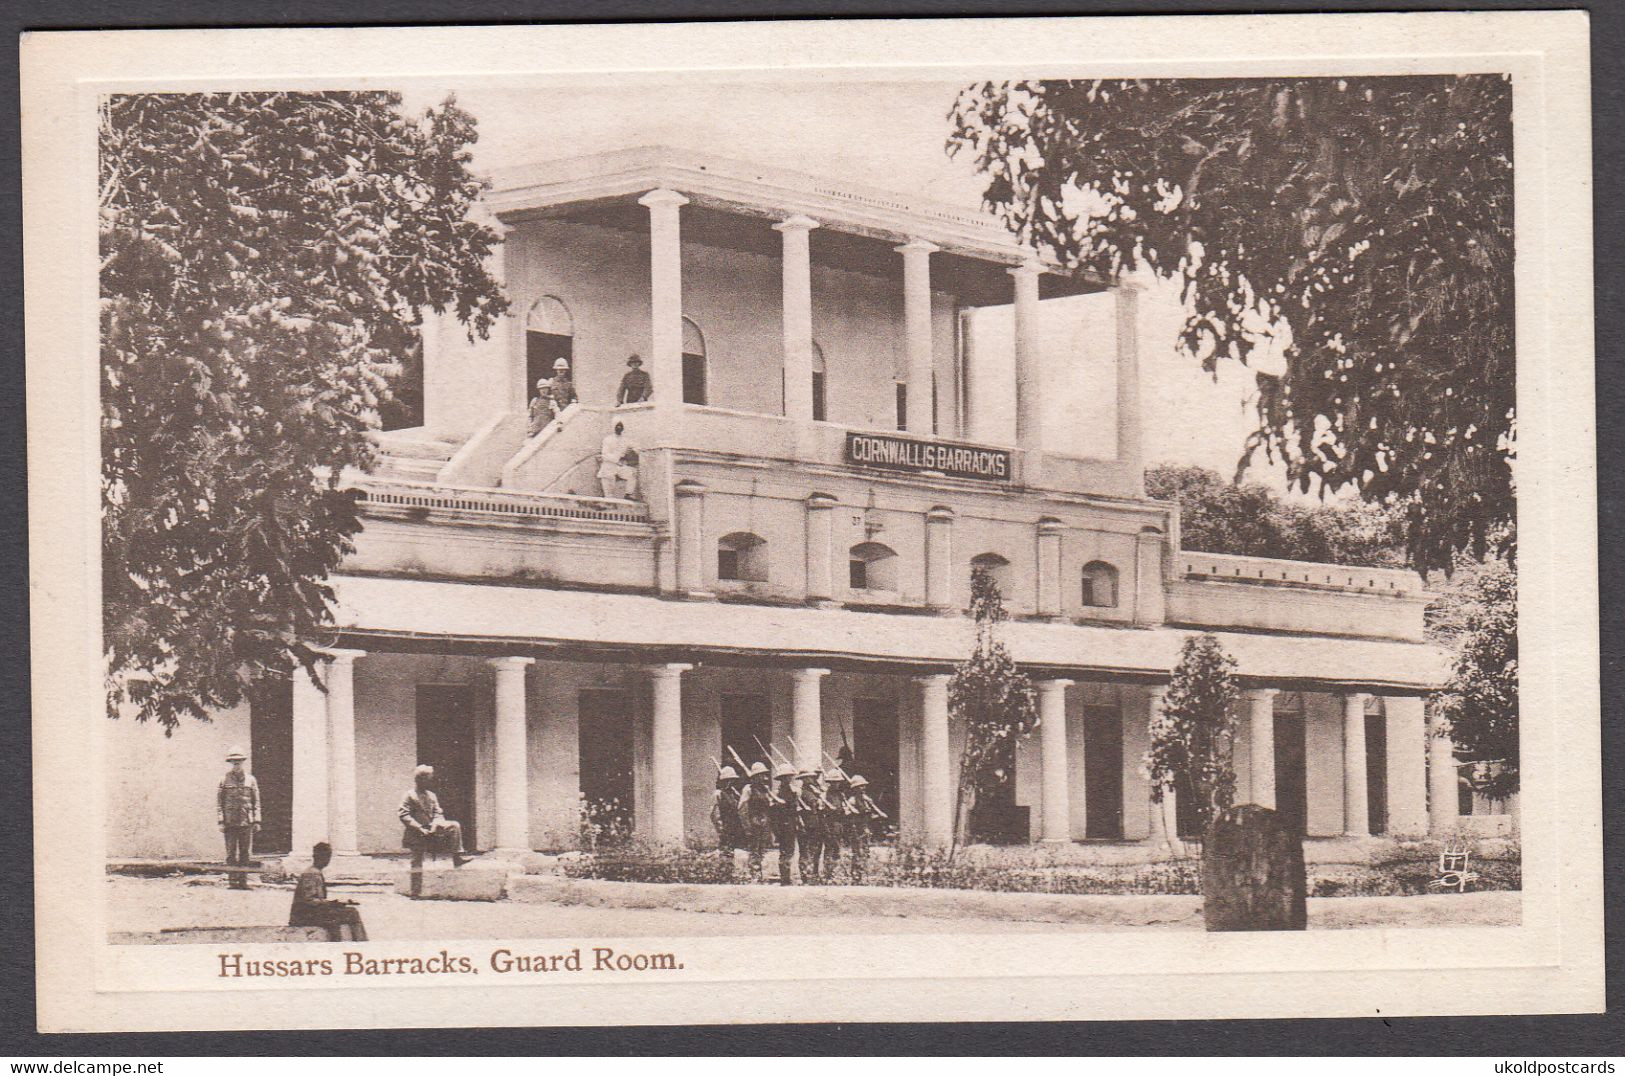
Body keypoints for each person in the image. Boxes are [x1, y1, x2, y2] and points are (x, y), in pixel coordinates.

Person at [289, 842, 368, 941]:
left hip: (311, 913)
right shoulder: (311, 874)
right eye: (326, 856)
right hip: (304, 915)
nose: (327, 860)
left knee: (344, 914)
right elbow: (309, 900)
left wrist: (336, 903)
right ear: (318, 857)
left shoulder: (314, 872)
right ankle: (361, 943)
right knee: (352, 913)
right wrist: (332, 903)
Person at [399, 764, 471, 871]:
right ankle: (415, 885)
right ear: (419, 779)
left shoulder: (432, 795)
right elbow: (403, 815)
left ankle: (457, 857)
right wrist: (419, 828)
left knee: (454, 826)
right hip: (416, 832)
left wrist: (436, 824)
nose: (429, 782)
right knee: (416, 863)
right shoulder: (409, 795)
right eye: (427, 779)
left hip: (432, 829)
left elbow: (438, 812)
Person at [216, 747, 260, 890]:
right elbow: (219, 803)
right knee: (230, 853)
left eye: (239, 762)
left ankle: (243, 882)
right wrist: (221, 821)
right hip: (230, 822)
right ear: (230, 763)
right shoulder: (224, 779)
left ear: (243, 762)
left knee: (245, 853)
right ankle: (232, 882)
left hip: (246, 821)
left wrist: (257, 820)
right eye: (234, 762)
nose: (236, 765)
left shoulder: (251, 779)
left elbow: (256, 802)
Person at [736, 762, 773, 883]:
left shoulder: (765, 789)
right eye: (760, 775)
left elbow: (770, 805)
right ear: (755, 776)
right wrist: (747, 827)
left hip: (764, 822)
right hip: (754, 822)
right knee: (754, 850)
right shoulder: (748, 789)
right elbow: (742, 808)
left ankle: (761, 874)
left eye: (764, 775)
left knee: (762, 849)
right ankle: (754, 875)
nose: (763, 778)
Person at [845, 774, 886, 884]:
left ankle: (863, 875)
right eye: (860, 786)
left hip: (866, 829)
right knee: (857, 852)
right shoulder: (852, 801)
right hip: (856, 830)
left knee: (865, 852)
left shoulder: (865, 800)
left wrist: (878, 815)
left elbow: (869, 815)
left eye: (863, 786)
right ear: (855, 788)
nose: (863, 788)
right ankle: (856, 876)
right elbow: (848, 815)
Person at [768, 765, 800, 886]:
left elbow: (795, 808)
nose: (789, 779)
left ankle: (787, 876)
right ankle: (784, 878)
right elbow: (773, 813)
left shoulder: (793, 792)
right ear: (782, 779)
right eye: (786, 777)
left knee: (790, 851)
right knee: (784, 851)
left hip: (791, 823)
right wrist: (776, 829)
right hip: (782, 825)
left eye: (789, 777)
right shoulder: (776, 793)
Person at [794, 769, 827, 885]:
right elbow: (797, 810)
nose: (811, 779)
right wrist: (800, 823)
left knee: (816, 849)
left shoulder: (815, 791)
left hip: (816, 823)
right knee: (805, 850)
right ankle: (805, 875)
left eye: (811, 777)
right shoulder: (799, 793)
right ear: (803, 779)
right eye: (808, 777)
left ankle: (814, 874)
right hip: (805, 824)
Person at [819, 768, 850, 883]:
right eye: (834, 782)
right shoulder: (825, 795)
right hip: (829, 825)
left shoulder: (840, 795)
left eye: (838, 782)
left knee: (837, 849)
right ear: (830, 783)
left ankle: (835, 873)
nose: (837, 784)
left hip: (839, 824)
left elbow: (844, 807)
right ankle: (828, 874)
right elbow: (823, 811)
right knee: (830, 849)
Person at [597, 420, 639, 500]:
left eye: (621, 426)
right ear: (614, 427)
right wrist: (618, 458)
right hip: (609, 465)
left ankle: (628, 494)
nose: (619, 427)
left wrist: (633, 450)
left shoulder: (625, 440)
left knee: (632, 473)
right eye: (617, 426)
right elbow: (605, 455)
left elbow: (636, 447)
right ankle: (608, 498)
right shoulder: (608, 439)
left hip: (620, 466)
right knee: (608, 490)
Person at [710, 765, 746, 855]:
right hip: (725, 831)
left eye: (732, 780)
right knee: (725, 854)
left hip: (733, 830)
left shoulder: (732, 794)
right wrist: (721, 831)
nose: (730, 782)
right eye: (727, 780)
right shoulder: (718, 794)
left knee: (731, 854)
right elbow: (715, 815)